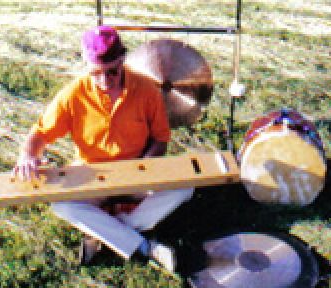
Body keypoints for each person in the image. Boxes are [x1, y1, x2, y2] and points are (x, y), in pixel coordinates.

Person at [12, 26, 194, 272]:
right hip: (90, 175)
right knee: (62, 205)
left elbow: (160, 139)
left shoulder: (147, 90)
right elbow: (40, 133)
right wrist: (27, 155)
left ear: (123, 59)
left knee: (185, 187)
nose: (105, 81)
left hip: (136, 171)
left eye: (112, 72)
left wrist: (144, 168)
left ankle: (108, 230)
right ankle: (143, 245)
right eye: (96, 73)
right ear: (85, 66)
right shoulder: (73, 94)